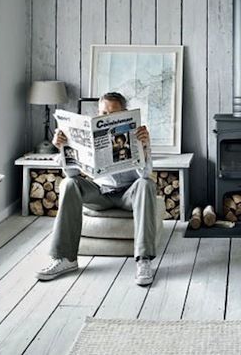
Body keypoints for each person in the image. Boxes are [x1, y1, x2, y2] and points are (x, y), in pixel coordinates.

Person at [35, 91, 157, 286]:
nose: (106, 118)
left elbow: (144, 175)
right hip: (100, 193)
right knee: (68, 183)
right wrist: (63, 148)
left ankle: (144, 260)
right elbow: (73, 176)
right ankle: (65, 259)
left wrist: (144, 147)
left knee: (146, 184)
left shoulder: (137, 133)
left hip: (128, 194)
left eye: (112, 114)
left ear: (124, 114)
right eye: (102, 113)